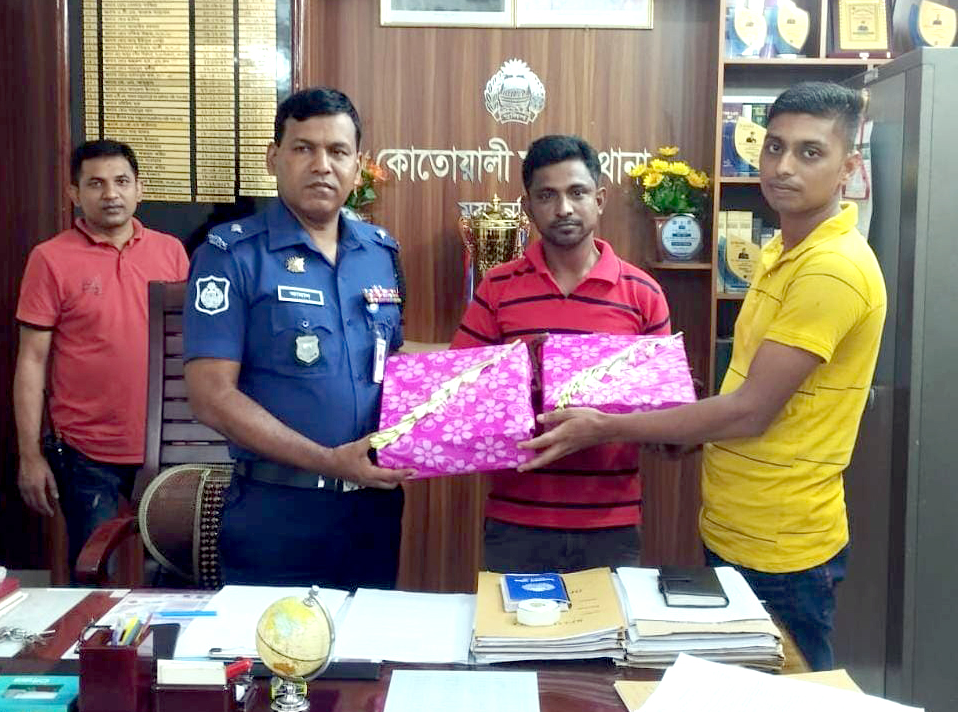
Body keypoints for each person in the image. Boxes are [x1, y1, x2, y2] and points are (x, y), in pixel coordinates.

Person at [521, 83, 886, 671]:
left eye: (810, 152)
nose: (783, 167)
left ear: (848, 166)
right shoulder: (784, 252)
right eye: (774, 147)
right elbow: (740, 397)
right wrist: (679, 426)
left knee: (781, 699)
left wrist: (605, 426)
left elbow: (750, 410)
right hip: (739, 528)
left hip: (782, 545)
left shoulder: (831, 269)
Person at [183, 87, 412, 591]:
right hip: (277, 512)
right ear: (274, 158)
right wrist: (329, 462)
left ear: (358, 166)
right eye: (304, 148)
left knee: (366, 640)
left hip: (372, 512)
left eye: (338, 151)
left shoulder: (381, 254)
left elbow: (392, 362)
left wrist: (485, 369)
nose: (322, 165)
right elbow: (211, 397)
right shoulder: (231, 255)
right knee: (270, 643)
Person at [451, 135, 671, 574]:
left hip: (611, 524)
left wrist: (615, 423)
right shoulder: (497, 287)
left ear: (599, 199)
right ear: (528, 207)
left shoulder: (643, 293)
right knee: (513, 624)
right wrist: (520, 382)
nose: (564, 208)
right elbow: (460, 394)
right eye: (547, 196)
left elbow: (665, 416)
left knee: (607, 625)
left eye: (577, 192)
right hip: (516, 522)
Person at [14, 139, 189, 575]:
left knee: (174, 571)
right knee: (93, 572)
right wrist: (29, 456)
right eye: (96, 184)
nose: (111, 193)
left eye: (121, 182)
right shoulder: (50, 259)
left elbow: (190, 348)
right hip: (86, 451)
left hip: (166, 445)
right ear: (75, 194)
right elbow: (31, 362)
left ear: (139, 189)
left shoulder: (171, 251)